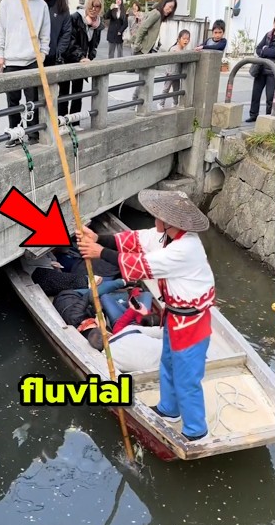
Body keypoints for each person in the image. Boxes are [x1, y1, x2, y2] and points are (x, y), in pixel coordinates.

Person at [76, 189, 215, 442]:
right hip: (174, 316)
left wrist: (98, 252)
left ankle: (196, 432)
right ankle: (169, 410)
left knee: (187, 377)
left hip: (192, 322)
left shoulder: (185, 248)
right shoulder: (166, 237)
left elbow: (143, 266)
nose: (153, 218)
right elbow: (135, 241)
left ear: (168, 221)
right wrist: (99, 238)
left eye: (157, 215)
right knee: (168, 363)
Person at [0, 0, 51, 148]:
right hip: (11, 60)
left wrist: (42, 54)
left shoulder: (41, 5)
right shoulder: (6, 2)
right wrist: (0, 55)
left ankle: (33, 133)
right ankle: (15, 133)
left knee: (32, 100)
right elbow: (1, 30)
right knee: (13, 101)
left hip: (32, 60)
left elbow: (45, 35)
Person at [59, 0, 104, 123]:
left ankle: (74, 122)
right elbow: (70, 42)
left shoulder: (98, 25)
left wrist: (90, 56)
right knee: (64, 94)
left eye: (97, 6)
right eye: (91, 5)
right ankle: (61, 122)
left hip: (82, 62)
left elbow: (94, 45)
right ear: (86, 4)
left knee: (78, 93)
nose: (93, 9)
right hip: (68, 60)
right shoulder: (75, 18)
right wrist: (80, 56)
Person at [246, 17, 275, 122]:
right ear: (274, 23)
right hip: (260, 68)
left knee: (270, 97)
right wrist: (266, 51)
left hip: (272, 71)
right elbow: (259, 48)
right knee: (256, 94)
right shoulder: (268, 35)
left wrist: (265, 50)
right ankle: (253, 115)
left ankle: (268, 118)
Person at [41, 0, 73, 73]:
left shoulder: (62, 7)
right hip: (33, 58)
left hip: (52, 59)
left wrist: (58, 53)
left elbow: (66, 33)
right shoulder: (35, 1)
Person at [158, 29, 190, 109]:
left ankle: (175, 103)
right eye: (184, 39)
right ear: (179, 39)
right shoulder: (174, 49)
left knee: (176, 90)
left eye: (187, 39)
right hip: (171, 73)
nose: (186, 41)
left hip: (177, 74)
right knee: (166, 89)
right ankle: (161, 104)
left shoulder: (183, 49)